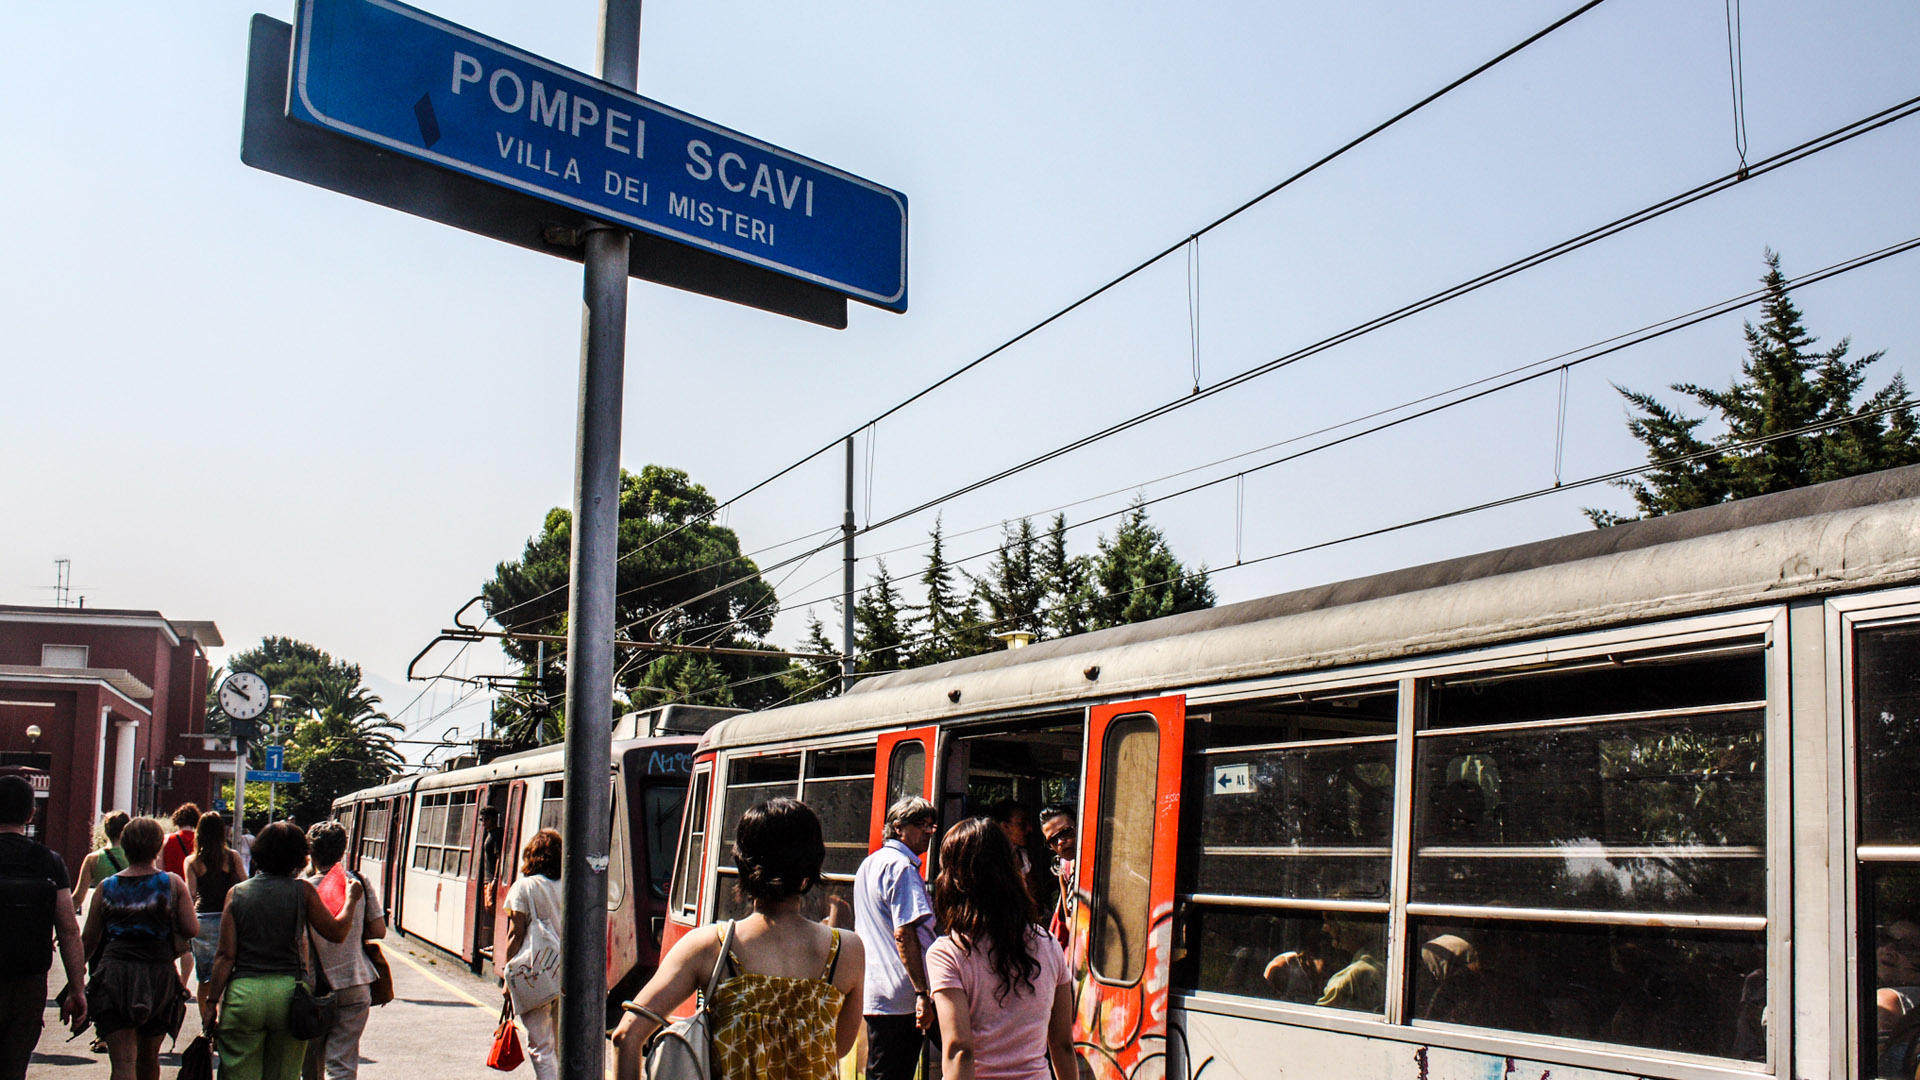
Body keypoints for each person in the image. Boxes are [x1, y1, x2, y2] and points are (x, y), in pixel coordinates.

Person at [611, 798, 865, 1080]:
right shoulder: (847, 950)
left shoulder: (710, 946)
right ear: (810, 869)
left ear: (742, 864)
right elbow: (838, 1048)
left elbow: (626, 1036)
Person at [200, 821, 362, 1080]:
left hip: (245, 994)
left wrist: (211, 1003)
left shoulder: (237, 894)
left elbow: (225, 955)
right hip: (290, 996)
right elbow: (337, 933)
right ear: (300, 856)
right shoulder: (303, 890)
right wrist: (352, 900)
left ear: (259, 853)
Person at [925, 817, 1073, 1080]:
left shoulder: (947, 954)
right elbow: (1062, 1045)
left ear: (954, 879)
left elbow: (959, 1050)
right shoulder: (1049, 944)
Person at [80, 816, 199, 1080]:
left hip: (115, 975)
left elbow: (89, 939)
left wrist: (76, 983)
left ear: (126, 846)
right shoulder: (171, 883)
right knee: (149, 1058)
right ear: (157, 847)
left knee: (122, 1064)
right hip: (158, 976)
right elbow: (191, 929)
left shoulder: (107, 887)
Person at [0, 775, 86, 1080]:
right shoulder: (48, 861)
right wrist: (77, 989)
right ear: (30, 814)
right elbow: (68, 930)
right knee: (14, 1067)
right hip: (29, 981)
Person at [853, 796, 940, 1080]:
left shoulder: (869, 864)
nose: (929, 831)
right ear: (898, 827)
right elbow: (904, 933)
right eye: (921, 825)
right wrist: (921, 992)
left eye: (931, 825)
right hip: (903, 994)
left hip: (878, 988)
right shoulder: (901, 868)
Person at [302, 820, 385, 1080]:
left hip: (312, 988)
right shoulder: (358, 882)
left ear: (310, 852)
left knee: (310, 1064)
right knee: (342, 1064)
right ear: (343, 851)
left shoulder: (301, 889)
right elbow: (378, 930)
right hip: (355, 982)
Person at [501, 829, 564, 1080]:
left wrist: (507, 974)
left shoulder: (524, 887)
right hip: (566, 973)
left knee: (540, 1046)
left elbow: (515, 934)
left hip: (534, 973)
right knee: (562, 1045)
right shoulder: (571, 884)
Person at [184, 814, 244, 995]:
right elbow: (244, 884)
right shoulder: (233, 857)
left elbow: (191, 894)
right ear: (221, 832)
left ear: (199, 833)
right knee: (228, 971)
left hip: (203, 919)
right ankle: (223, 1016)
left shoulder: (192, 861)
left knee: (205, 978)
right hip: (229, 919)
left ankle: (206, 1021)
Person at [161, 804, 201, 995]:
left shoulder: (167, 840)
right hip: (190, 897)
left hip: (168, 895)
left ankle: (172, 980)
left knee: (167, 941)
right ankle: (184, 985)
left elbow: (159, 868)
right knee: (186, 946)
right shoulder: (199, 842)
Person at [1315, 911, 1385, 1012]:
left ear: (1349, 928)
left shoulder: (1345, 982)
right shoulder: (1380, 959)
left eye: (1330, 923)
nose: (1325, 929)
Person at [71, 810, 132, 910]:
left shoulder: (93, 859)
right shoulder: (136, 855)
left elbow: (77, 899)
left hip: (105, 917)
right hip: (131, 917)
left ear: (105, 831)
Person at [1037, 806, 1076, 950]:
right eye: (1052, 840)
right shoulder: (1064, 866)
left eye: (1066, 832)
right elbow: (1069, 918)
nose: (1060, 842)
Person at [987, 801, 1033, 877]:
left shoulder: (1024, 855)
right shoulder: (990, 860)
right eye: (1022, 824)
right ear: (1004, 827)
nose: (1029, 829)